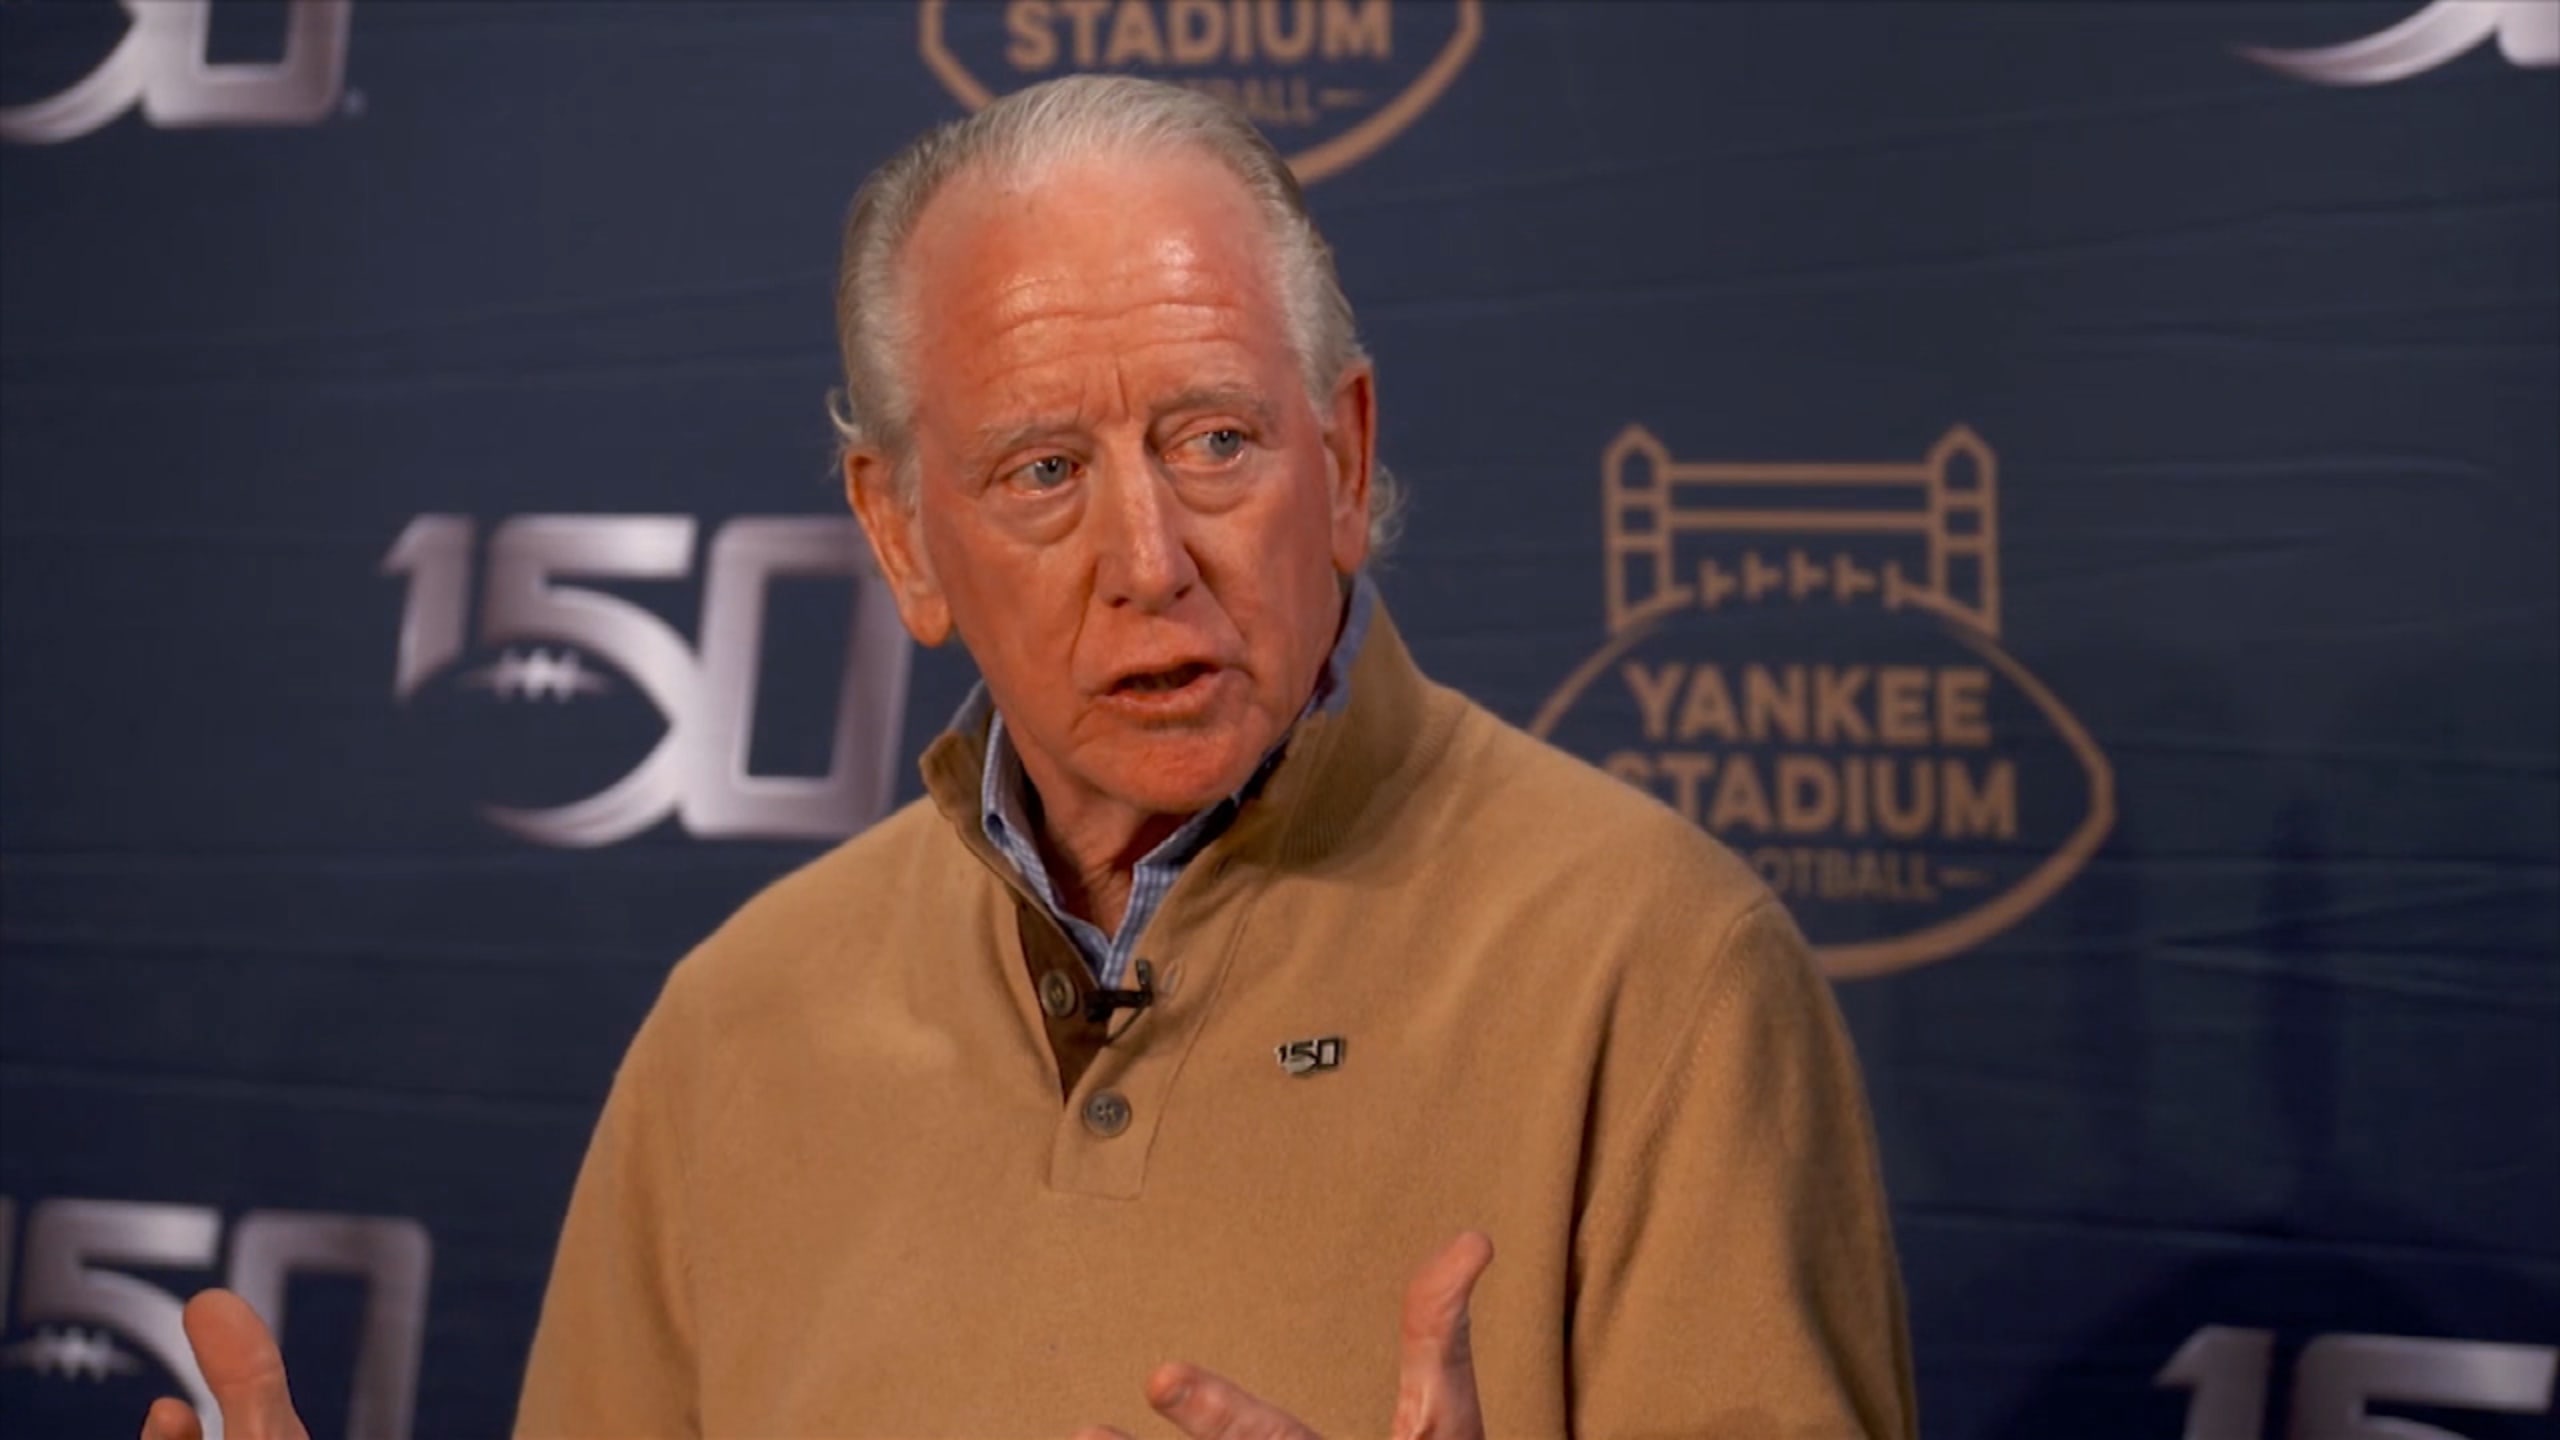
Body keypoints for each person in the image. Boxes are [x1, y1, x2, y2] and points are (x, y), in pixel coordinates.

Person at [140, 74, 1916, 1440]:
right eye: (1042, 473)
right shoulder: (734, 1026)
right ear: (901, 534)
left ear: (1347, 457)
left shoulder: (1659, 970)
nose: (1149, 557)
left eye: (1214, 439)